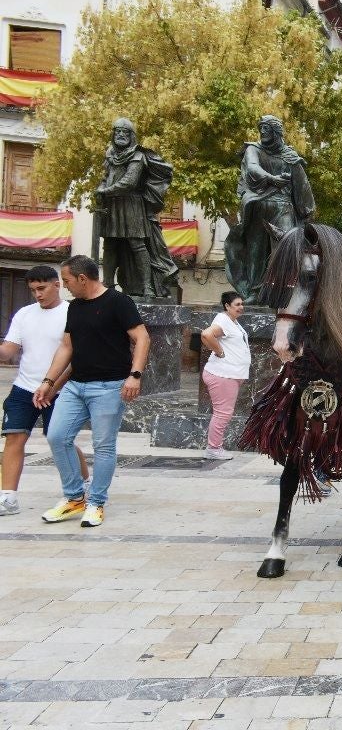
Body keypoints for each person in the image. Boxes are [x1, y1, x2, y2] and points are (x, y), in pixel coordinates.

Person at [34, 256, 149, 528]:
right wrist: (49, 383)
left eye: (67, 281)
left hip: (109, 387)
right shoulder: (75, 307)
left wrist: (135, 375)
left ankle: (96, 502)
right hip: (75, 386)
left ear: (83, 278)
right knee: (57, 436)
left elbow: (142, 337)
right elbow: (66, 347)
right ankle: (74, 498)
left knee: (104, 446)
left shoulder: (118, 302)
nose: (65, 287)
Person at [0, 266, 88, 516]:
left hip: (60, 390)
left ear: (57, 284)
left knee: (60, 439)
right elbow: (8, 351)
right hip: (24, 387)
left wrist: (52, 387)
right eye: (33, 290)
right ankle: (8, 498)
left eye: (42, 288)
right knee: (14, 437)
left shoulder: (73, 312)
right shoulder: (24, 314)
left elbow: (75, 359)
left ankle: (84, 484)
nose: (37, 294)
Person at [225, 116, 316, 304]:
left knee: (286, 248)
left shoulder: (289, 154)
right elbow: (252, 168)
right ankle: (254, 291)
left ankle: (283, 290)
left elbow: (301, 182)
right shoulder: (253, 149)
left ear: (276, 132)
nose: (263, 132)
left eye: (266, 128)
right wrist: (273, 178)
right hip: (258, 206)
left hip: (283, 206)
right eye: (261, 129)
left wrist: (306, 208)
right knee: (255, 251)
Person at [94, 117, 179, 298]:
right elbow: (105, 177)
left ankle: (147, 287)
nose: (121, 135)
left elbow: (129, 182)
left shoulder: (137, 156)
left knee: (137, 244)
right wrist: (101, 187)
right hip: (113, 206)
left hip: (132, 205)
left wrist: (105, 191)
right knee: (110, 245)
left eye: (125, 132)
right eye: (118, 132)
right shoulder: (109, 155)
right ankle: (107, 284)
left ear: (132, 136)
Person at [199, 291, 250, 460]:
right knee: (223, 413)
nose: (241, 307)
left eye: (242, 304)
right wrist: (219, 352)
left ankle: (214, 447)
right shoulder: (223, 321)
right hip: (223, 375)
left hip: (230, 375)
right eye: (237, 305)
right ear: (227, 306)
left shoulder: (232, 322)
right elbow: (206, 334)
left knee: (223, 412)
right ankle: (213, 449)